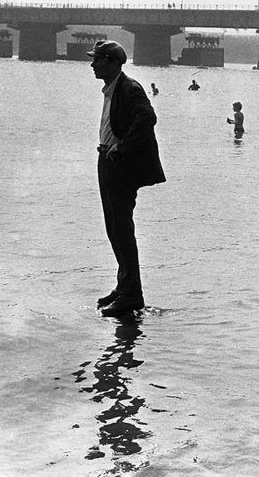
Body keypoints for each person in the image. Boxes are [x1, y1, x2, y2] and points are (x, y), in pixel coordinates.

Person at [88, 40, 166, 317]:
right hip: (107, 159)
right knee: (114, 228)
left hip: (119, 163)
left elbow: (147, 118)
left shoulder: (129, 87)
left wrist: (122, 147)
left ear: (111, 61)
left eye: (97, 60)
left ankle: (132, 295)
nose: (92, 64)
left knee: (121, 229)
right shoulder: (113, 88)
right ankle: (124, 287)